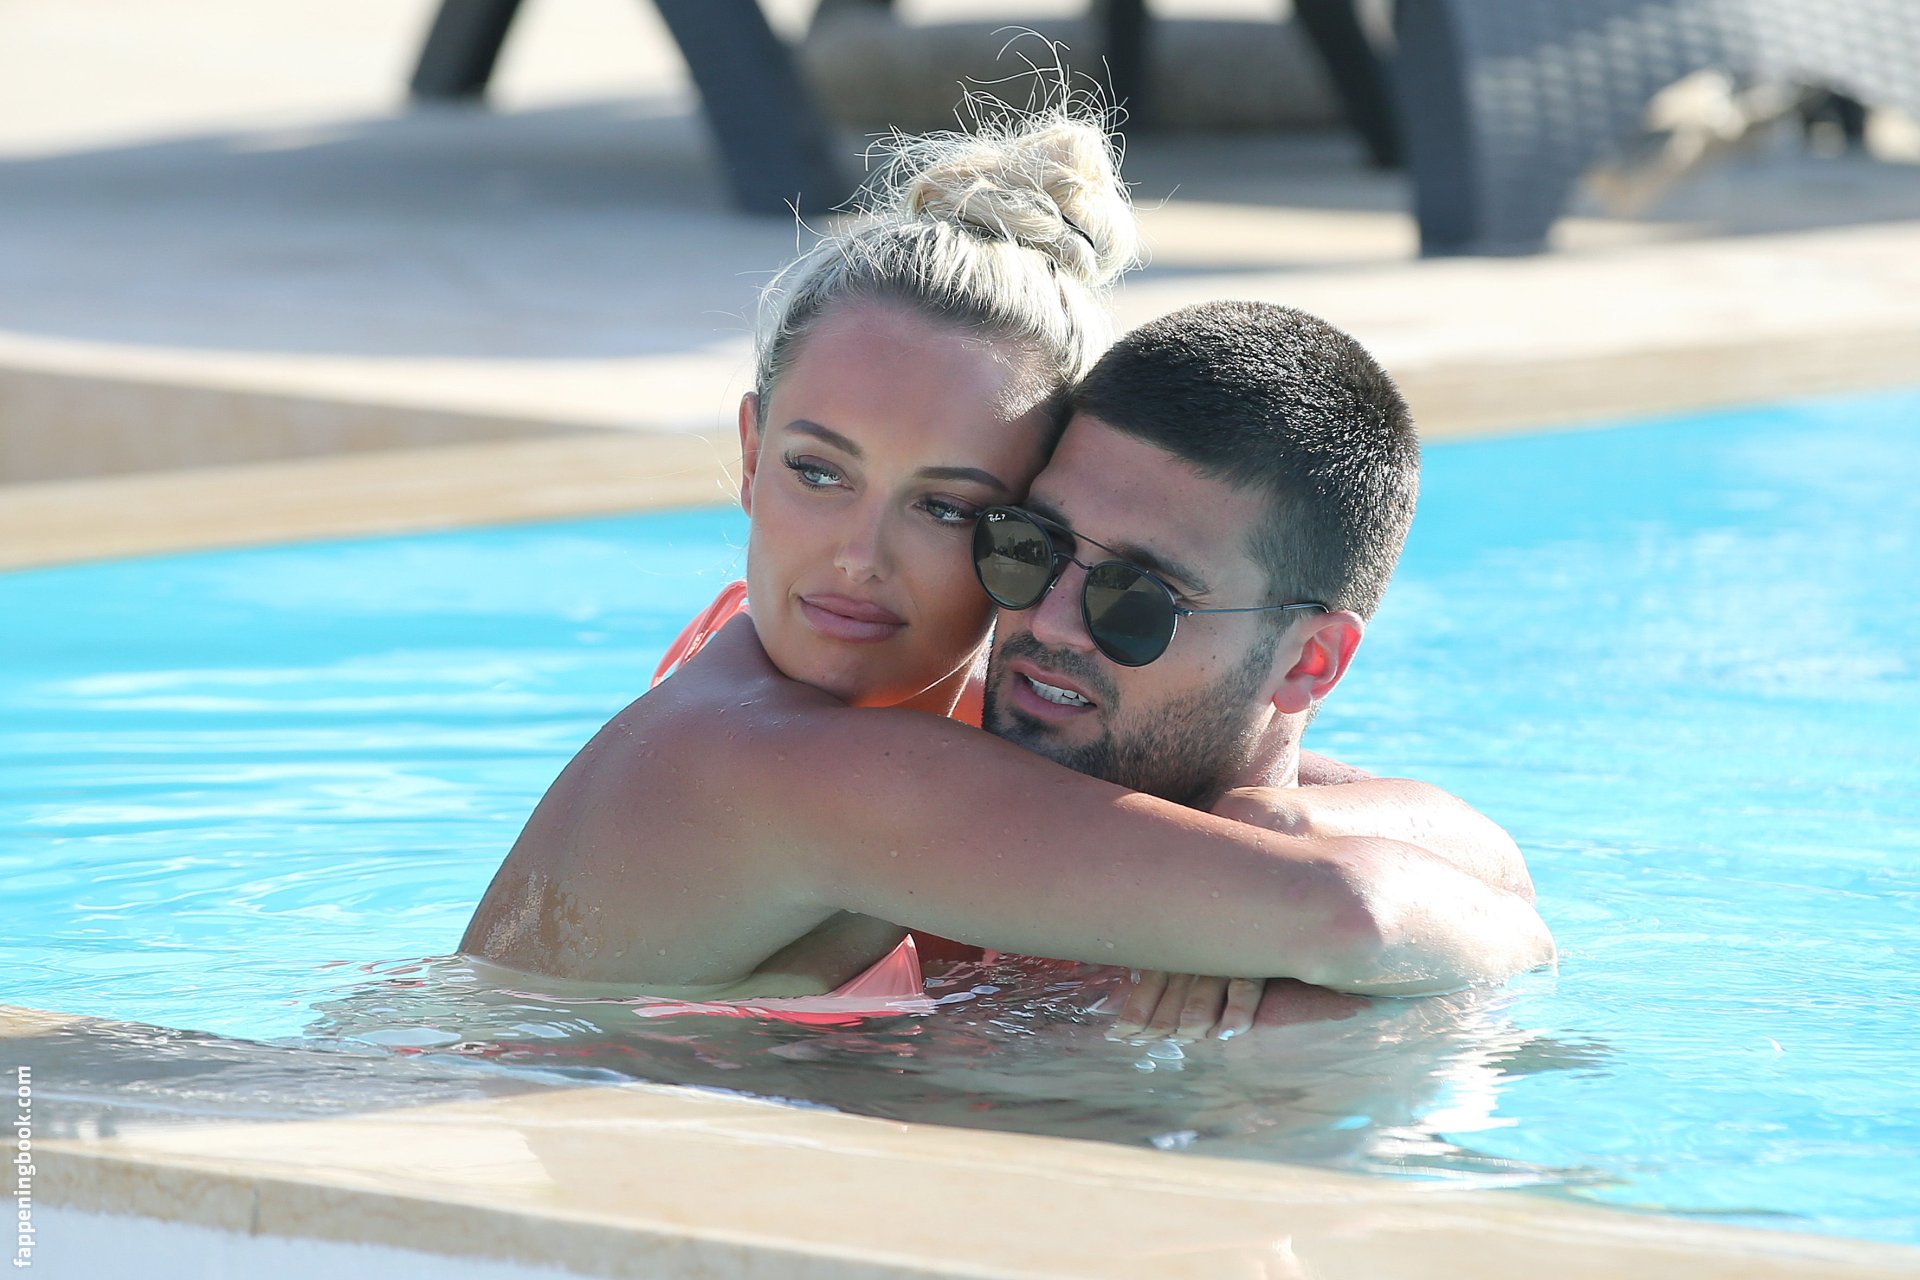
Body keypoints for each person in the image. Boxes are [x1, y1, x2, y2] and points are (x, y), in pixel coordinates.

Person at [460, 110, 1549, 1010]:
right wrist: (1519, 937)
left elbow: (1468, 845)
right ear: (750, 455)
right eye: (819, 471)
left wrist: (1286, 819)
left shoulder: (914, 709)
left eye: (947, 506)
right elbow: (1353, 916)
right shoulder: (792, 763)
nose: (859, 557)